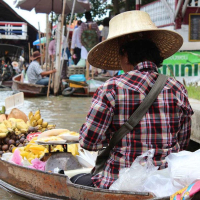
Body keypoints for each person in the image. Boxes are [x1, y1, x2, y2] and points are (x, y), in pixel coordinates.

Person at [72, 11, 194, 189]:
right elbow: (182, 143)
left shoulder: (110, 88)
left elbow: (88, 142)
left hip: (119, 184)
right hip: (165, 184)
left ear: (125, 54)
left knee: (75, 179)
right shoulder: (177, 88)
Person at [79, 11, 101, 77]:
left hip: (85, 45)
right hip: (93, 44)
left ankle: (87, 74)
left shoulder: (83, 25)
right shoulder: (95, 24)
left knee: (86, 59)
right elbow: (99, 34)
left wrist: (83, 44)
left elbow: (80, 35)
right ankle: (94, 73)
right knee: (93, 58)